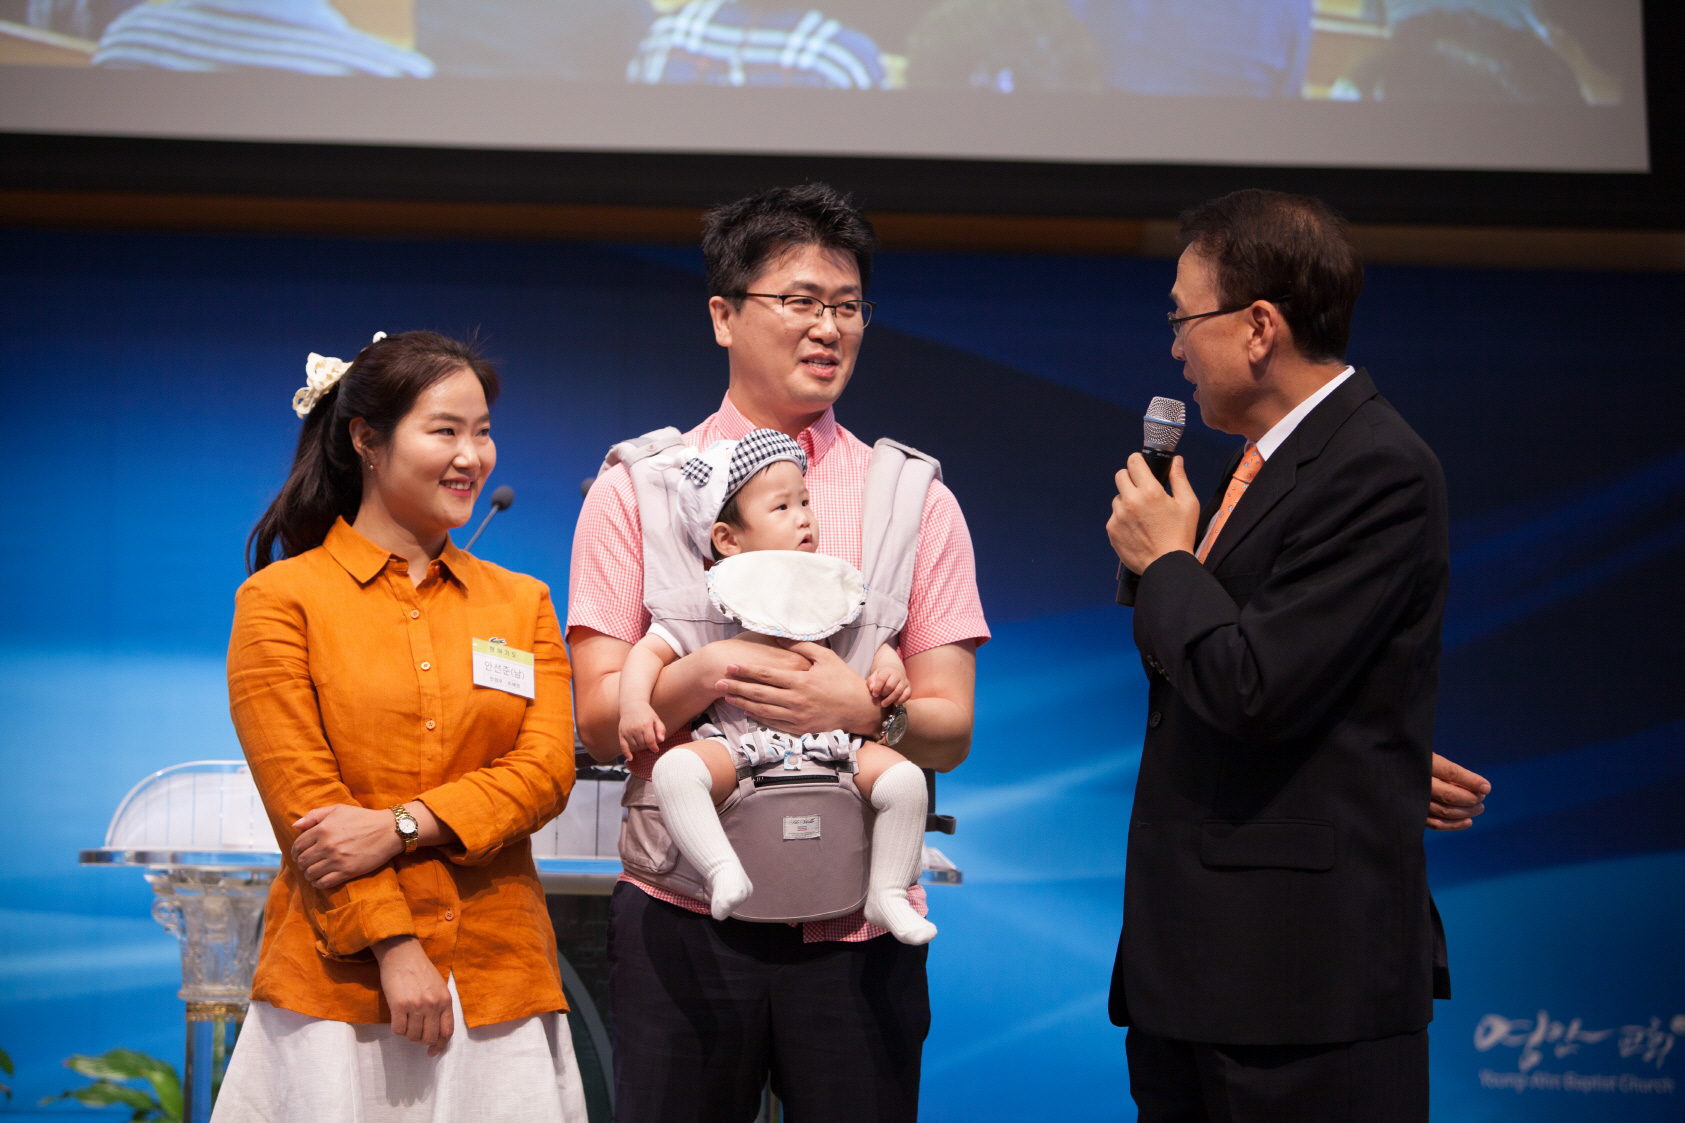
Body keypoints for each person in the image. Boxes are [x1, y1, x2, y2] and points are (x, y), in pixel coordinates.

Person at [568, 182, 988, 1122]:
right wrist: (707, 672)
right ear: (723, 315)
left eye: (847, 306)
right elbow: (597, 721)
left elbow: (952, 727)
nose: (827, 328)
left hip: (856, 934)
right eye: (799, 301)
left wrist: (865, 714)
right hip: (681, 916)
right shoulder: (638, 489)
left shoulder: (915, 498)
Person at [1104, 190, 1490, 1121]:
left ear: (1257, 327)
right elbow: (1290, 673)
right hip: (1198, 972)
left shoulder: (1375, 466)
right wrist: (1368, 751)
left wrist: (1166, 562)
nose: (1173, 347)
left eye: (1182, 319)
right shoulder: (1259, 462)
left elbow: (1252, 685)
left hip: (1296, 985)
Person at [215, 331, 585, 1122]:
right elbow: (306, 804)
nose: (471, 455)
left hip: (499, 974)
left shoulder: (521, 602)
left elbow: (547, 770)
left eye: (482, 431)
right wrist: (395, 945)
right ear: (366, 439)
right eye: (444, 430)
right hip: (337, 980)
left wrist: (401, 825)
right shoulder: (280, 600)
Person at [617, 428, 934, 942]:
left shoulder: (834, 586)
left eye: (805, 502)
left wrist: (889, 671)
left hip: (834, 748)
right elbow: (648, 651)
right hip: (739, 747)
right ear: (727, 539)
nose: (803, 517)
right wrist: (635, 704)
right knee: (676, 770)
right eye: (782, 507)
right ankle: (721, 868)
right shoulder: (703, 599)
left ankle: (888, 892)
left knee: (905, 782)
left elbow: (870, 641)